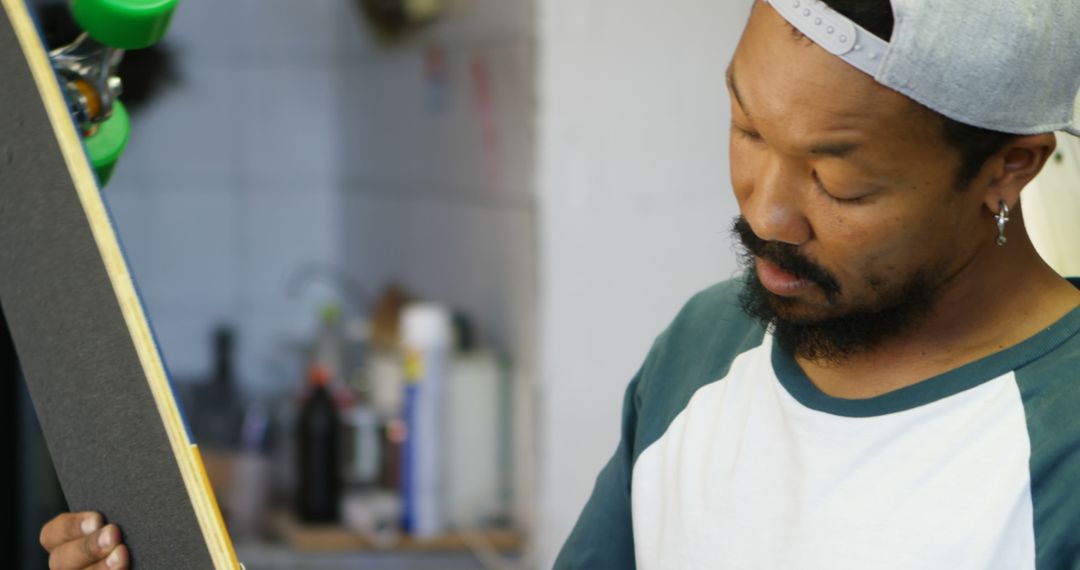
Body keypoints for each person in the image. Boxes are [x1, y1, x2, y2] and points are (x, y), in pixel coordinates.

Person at [41, 0, 1080, 568]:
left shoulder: (1060, 450)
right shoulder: (705, 349)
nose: (766, 209)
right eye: (746, 128)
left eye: (840, 180)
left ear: (1010, 166)